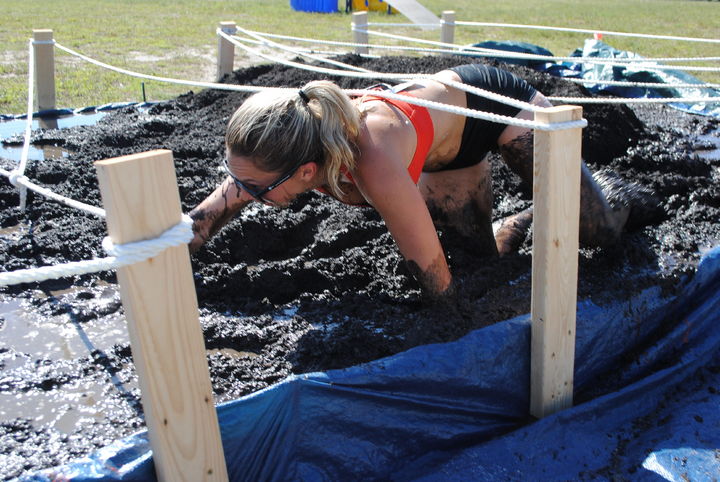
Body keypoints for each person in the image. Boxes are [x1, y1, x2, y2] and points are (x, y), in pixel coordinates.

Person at [188, 63, 628, 298]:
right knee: (481, 260)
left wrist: (449, 327)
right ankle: (527, 217)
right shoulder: (281, 156)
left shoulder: (373, 163)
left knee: (597, 231)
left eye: (254, 189)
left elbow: (434, 274)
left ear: (306, 172)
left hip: (498, 106)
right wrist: (168, 246)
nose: (244, 193)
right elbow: (208, 215)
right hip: (447, 153)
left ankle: (620, 194)